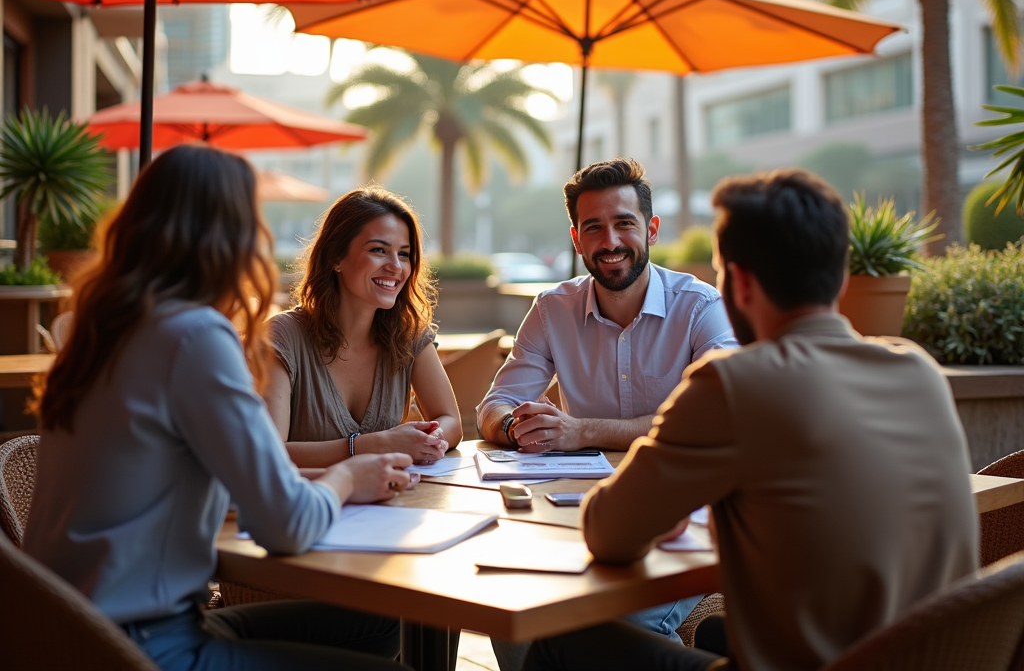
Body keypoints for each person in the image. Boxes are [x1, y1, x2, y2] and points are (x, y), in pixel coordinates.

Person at [522, 169, 980, 671]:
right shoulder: (919, 371)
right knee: (716, 631)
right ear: (841, 275)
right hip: (932, 655)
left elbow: (607, 533)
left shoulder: (733, 384)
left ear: (737, 282)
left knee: (554, 638)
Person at [23, 145, 415, 671]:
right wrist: (345, 478)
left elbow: (200, 477)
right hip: (142, 645)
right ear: (232, 235)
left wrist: (335, 472)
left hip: (64, 632)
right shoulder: (195, 337)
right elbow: (285, 525)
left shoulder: (104, 332)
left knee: (377, 622)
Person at [477, 158, 737, 669]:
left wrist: (581, 431)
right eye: (594, 227)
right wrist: (517, 426)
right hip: (575, 519)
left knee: (607, 628)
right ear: (576, 238)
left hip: (686, 527)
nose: (610, 241)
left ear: (651, 229)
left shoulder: (701, 307)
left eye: (624, 224)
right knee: (509, 609)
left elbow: (720, 421)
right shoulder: (553, 308)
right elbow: (492, 407)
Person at [264, 186, 462, 467]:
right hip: (310, 508)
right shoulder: (283, 336)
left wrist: (427, 438)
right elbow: (268, 455)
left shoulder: (408, 334)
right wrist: (376, 445)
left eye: (404, 254)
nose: (395, 266)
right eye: (379, 250)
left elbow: (451, 421)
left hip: (388, 504)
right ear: (336, 258)